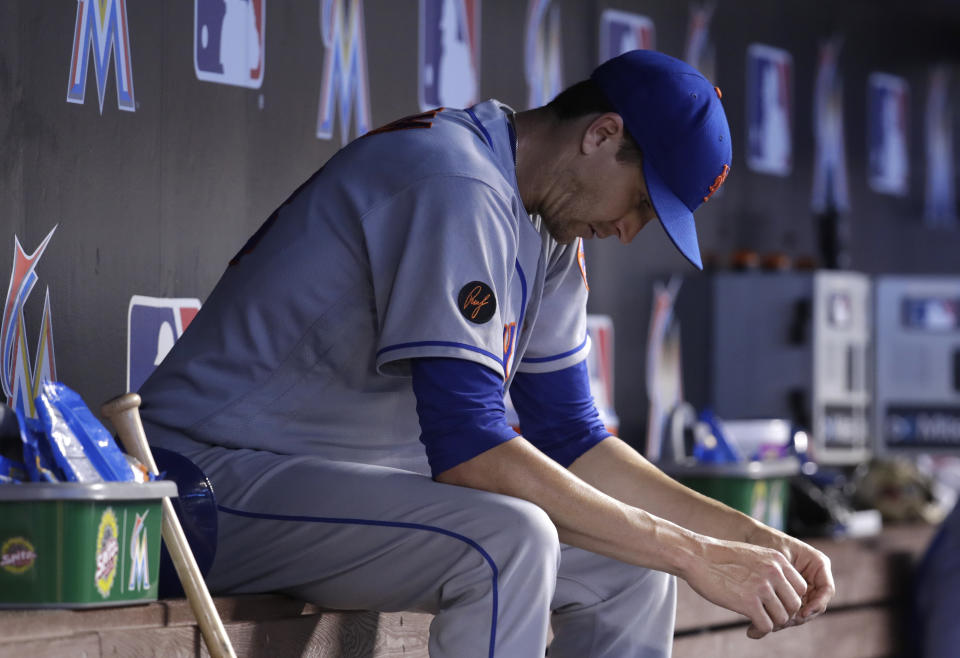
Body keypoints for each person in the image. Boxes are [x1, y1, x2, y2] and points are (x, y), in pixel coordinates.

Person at [138, 50, 834, 657]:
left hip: (320, 483)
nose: (628, 231)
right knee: (511, 540)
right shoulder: (457, 181)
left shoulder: (549, 232)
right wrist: (695, 551)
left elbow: (572, 439)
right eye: (644, 203)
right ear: (601, 134)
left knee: (631, 570)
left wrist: (753, 540)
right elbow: (471, 451)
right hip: (202, 487)